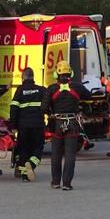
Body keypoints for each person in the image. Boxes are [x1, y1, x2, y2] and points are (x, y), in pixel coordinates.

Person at [41, 61, 92, 190]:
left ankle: (55, 182)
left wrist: (51, 113)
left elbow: (43, 108)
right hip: (72, 124)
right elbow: (89, 96)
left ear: (56, 74)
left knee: (56, 154)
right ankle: (67, 183)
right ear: (71, 73)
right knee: (70, 155)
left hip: (57, 124)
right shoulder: (77, 87)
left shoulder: (52, 88)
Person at [9, 67, 46, 182]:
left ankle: (25, 175)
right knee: (38, 147)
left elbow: (13, 108)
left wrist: (13, 126)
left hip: (23, 126)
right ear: (33, 77)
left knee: (24, 149)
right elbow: (48, 105)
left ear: (22, 77)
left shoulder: (19, 90)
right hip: (37, 125)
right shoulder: (41, 90)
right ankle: (31, 163)